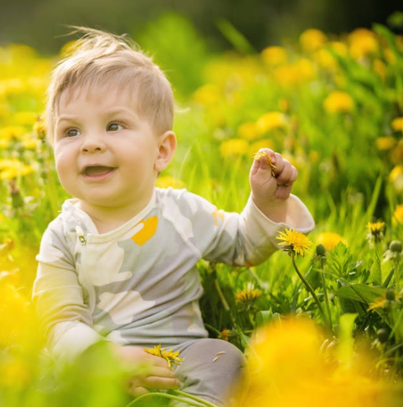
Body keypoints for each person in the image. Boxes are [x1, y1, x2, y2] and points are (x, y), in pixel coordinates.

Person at [32, 27, 315, 406]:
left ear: (161, 151)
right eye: (70, 131)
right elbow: (59, 322)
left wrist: (266, 204)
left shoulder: (183, 212)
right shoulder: (62, 236)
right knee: (51, 375)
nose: (91, 142)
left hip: (177, 361)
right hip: (99, 369)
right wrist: (106, 361)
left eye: (114, 125)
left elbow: (243, 245)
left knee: (221, 357)